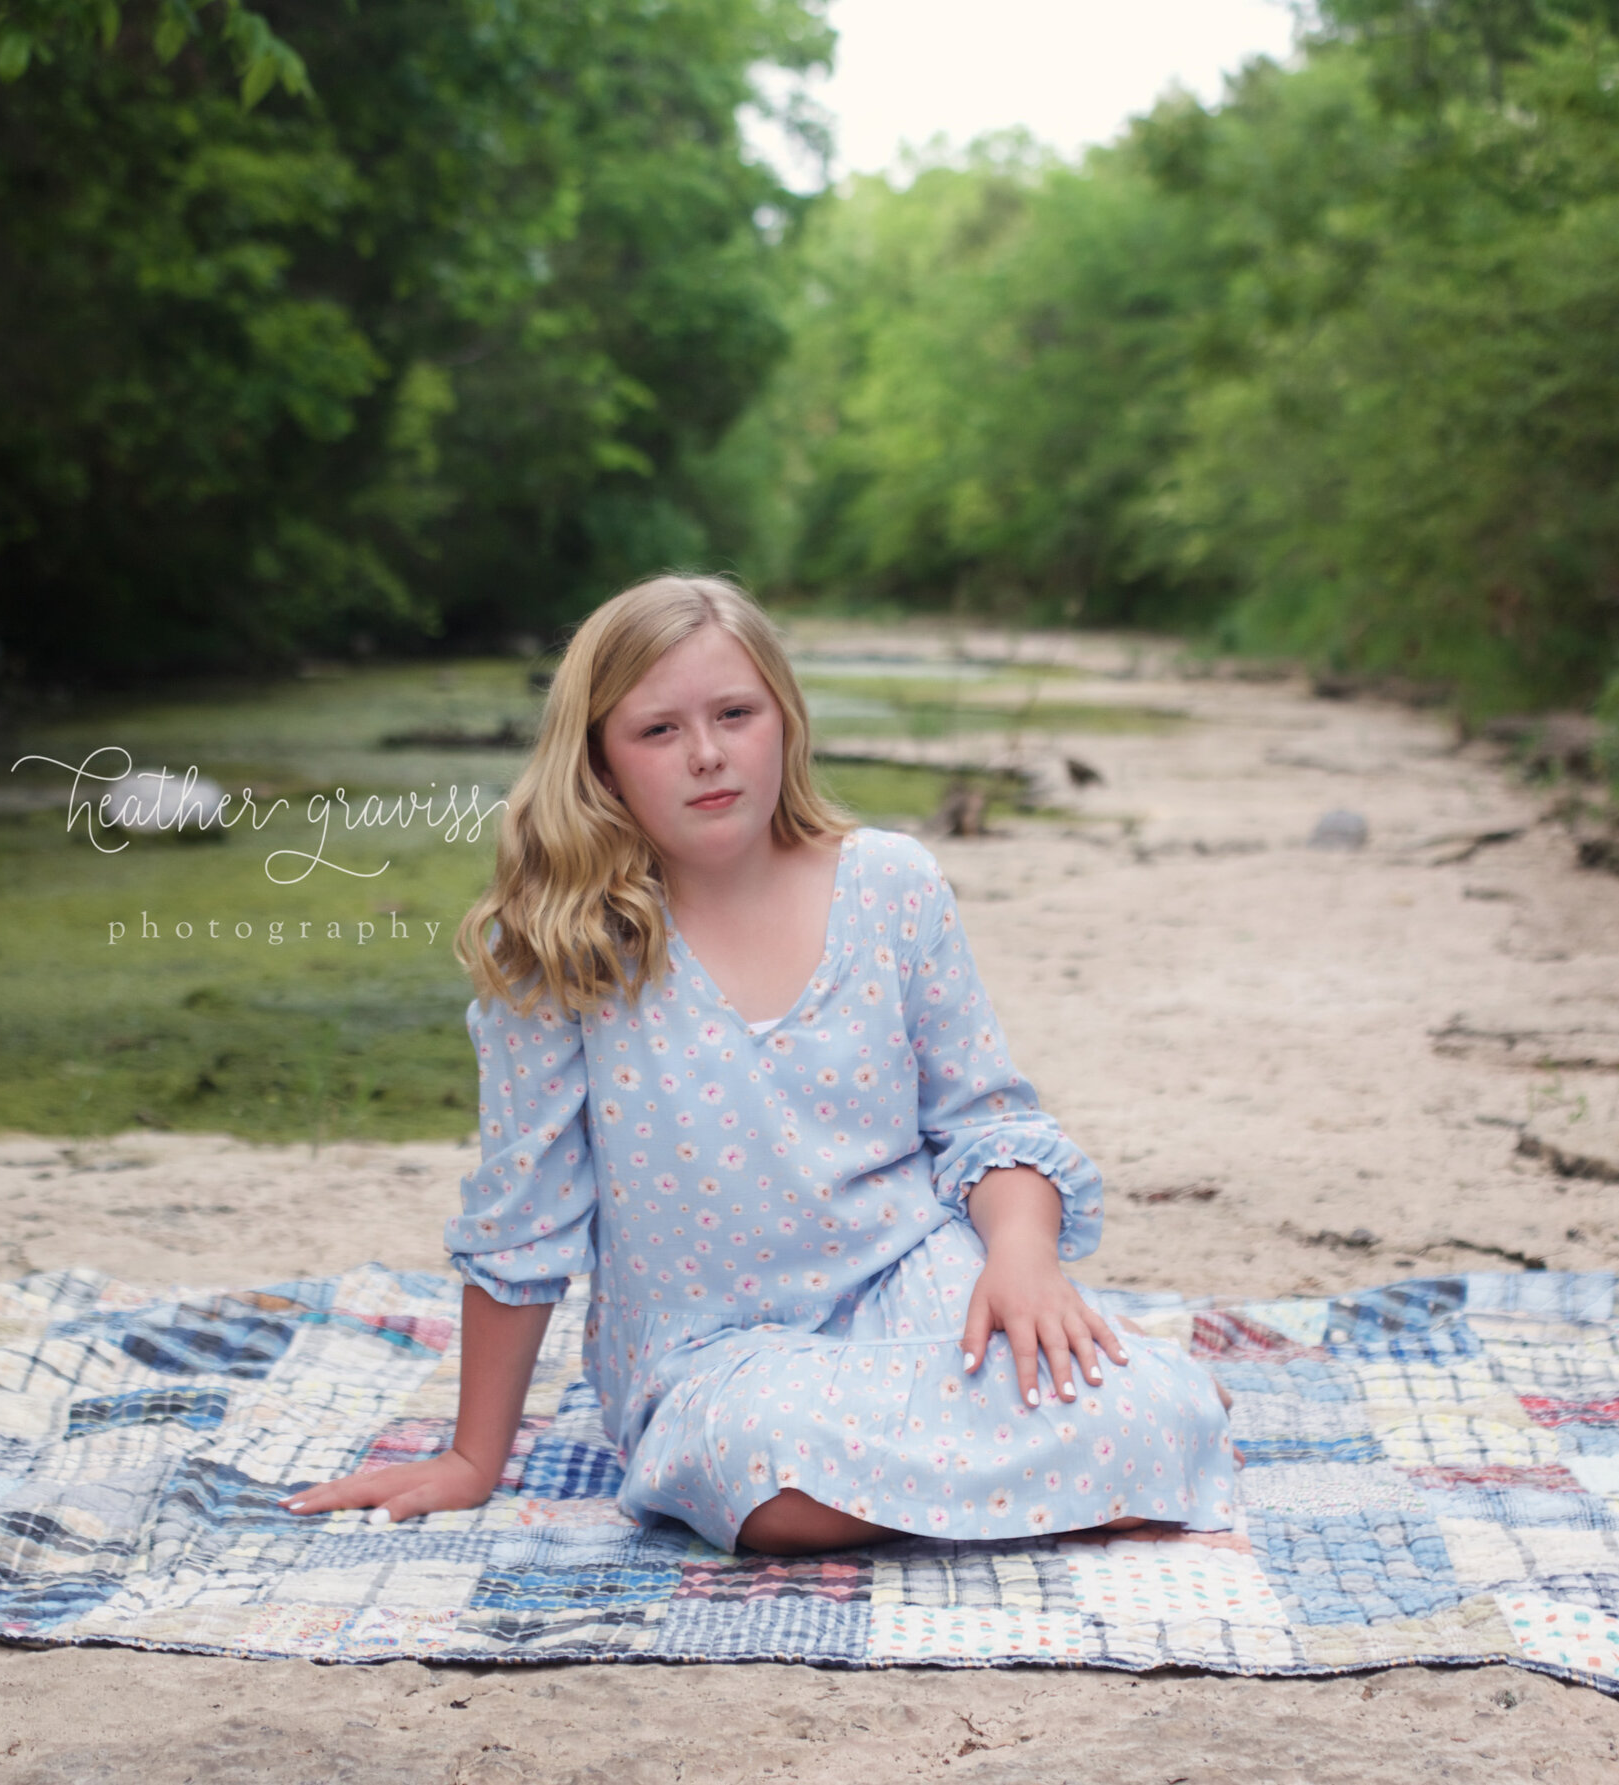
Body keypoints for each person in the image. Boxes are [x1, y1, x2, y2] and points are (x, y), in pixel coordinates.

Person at [282, 575, 1234, 1554]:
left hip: (912, 1287)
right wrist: (471, 1458)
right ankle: (1045, 1469)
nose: (706, 755)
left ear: (782, 717)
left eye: (734, 714)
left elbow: (986, 1122)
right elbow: (520, 1221)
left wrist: (1022, 1257)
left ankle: (1037, 1449)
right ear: (600, 761)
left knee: (1154, 1413)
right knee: (754, 1469)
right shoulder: (565, 949)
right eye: (657, 731)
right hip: (712, 1352)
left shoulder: (890, 885)